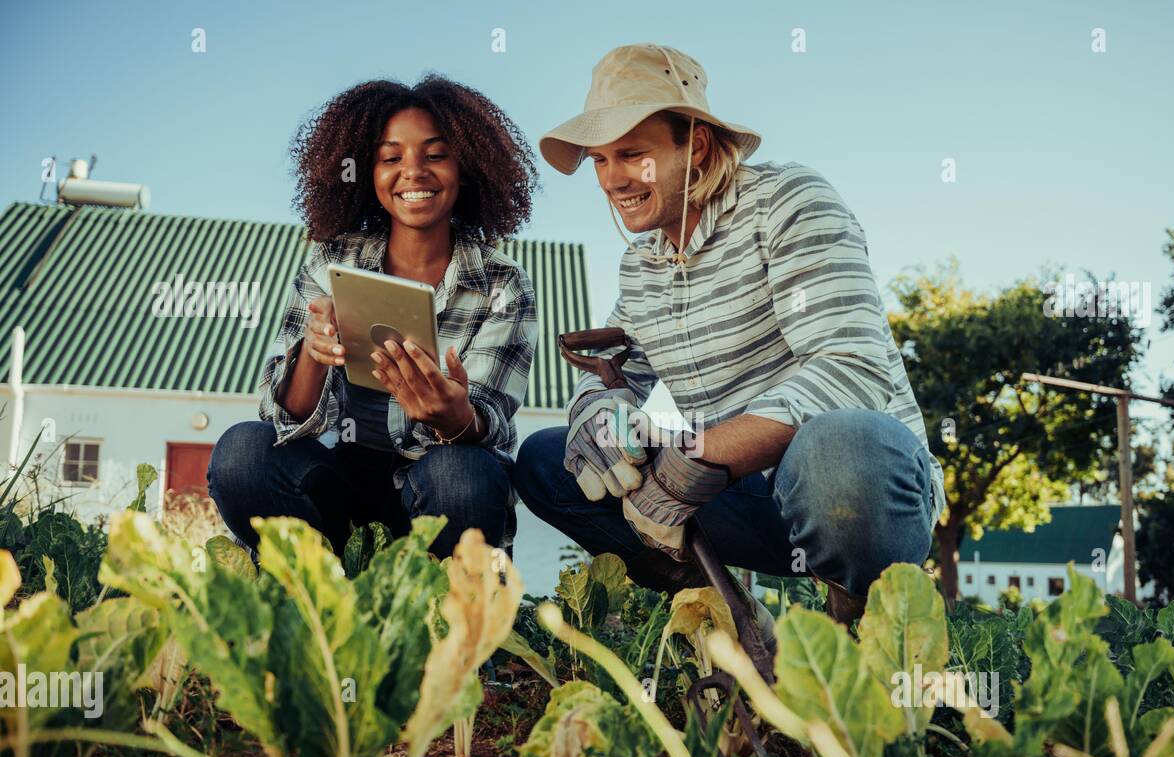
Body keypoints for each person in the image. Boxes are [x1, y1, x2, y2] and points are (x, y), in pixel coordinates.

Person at [515, 44, 945, 626]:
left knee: (841, 447)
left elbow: (851, 369)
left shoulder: (789, 203)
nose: (613, 180)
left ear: (693, 143)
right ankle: (728, 617)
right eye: (599, 160)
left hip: (856, 495)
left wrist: (699, 457)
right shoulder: (641, 266)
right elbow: (622, 374)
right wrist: (603, 416)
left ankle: (861, 623)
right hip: (744, 502)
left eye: (633, 155)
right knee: (547, 457)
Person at [208, 75, 538, 561]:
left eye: (435, 154)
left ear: (466, 167)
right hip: (333, 488)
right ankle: (309, 589)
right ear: (368, 173)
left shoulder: (502, 282)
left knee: (463, 473)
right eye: (391, 158)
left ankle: (449, 611)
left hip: (434, 496)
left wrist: (454, 415)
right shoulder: (332, 260)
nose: (413, 172)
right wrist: (315, 355)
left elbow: (487, 425)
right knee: (242, 451)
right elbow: (282, 416)